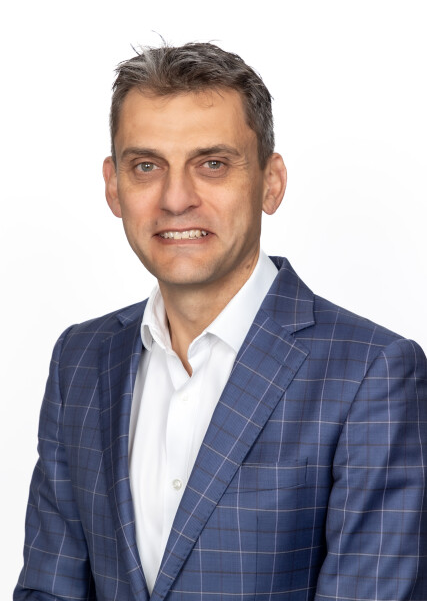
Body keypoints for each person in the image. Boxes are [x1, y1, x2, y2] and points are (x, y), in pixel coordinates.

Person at [14, 42, 427, 601]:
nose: (176, 199)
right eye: (146, 166)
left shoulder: (372, 374)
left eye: (212, 164)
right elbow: (49, 588)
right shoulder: (81, 359)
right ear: (113, 186)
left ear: (270, 182)